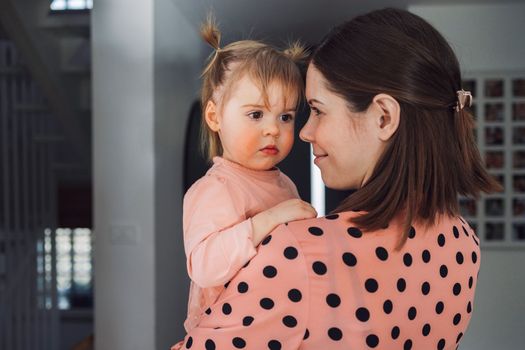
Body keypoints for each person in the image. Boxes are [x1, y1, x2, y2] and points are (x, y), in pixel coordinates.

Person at [175, 8, 502, 350]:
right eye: (256, 114)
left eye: (316, 110)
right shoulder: (464, 244)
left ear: (383, 117)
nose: (303, 132)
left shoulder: (299, 254)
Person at [171, 16, 318, 350]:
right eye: (256, 115)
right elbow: (205, 267)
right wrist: (265, 221)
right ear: (214, 117)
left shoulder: (286, 186)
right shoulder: (214, 189)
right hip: (223, 334)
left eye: (286, 116)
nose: (273, 129)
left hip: (272, 329)